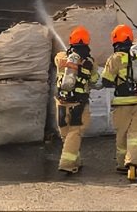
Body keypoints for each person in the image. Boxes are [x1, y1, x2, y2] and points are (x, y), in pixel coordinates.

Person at [101, 24, 137, 182]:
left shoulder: (115, 58)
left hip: (122, 102)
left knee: (122, 133)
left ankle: (123, 164)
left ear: (115, 40)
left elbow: (106, 81)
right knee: (135, 135)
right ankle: (133, 163)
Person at [54, 25, 99, 175]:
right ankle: (67, 163)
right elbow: (94, 80)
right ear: (87, 43)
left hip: (61, 102)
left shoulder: (61, 57)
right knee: (75, 132)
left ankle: (75, 162)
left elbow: (57, 61)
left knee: (65, 133)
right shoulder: (90, 62)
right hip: (79, 102)